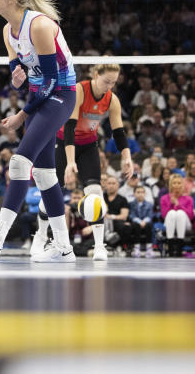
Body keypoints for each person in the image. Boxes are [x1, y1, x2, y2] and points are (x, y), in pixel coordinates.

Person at [0, 0, 78, 263]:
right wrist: (16, 74)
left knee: (20, 162)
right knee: (44, 174)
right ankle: (63, 247)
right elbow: (20, 74)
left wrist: (22, 114)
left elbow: (51, 80)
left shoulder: (41, 25)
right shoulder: (8, 31)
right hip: (40, 96)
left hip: (60, 94)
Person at [38, 63, 132, 260]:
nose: (109, 86)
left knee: (95, 193)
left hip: (89, 145)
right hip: (64, 142)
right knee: (51, 192)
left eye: (113, 83)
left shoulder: (112, 99)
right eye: (106, 81)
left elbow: (119, 132)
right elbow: (70, 125)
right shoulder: (79, 90)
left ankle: (99, 246)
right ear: (96, 74)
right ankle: (40, 238)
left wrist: (127, 158)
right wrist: (71, 162)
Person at [160, 174, 194, 257]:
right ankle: (170, 248)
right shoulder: (164, 198)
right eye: (174, 183)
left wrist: (178, 205)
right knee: (172, 213)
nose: (177, 185)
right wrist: (171, 205)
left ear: (182, 185)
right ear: (170, 185)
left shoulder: (188, 198)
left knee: (180, 213)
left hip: (185, 224)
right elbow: (164, 215)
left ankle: (179, 248)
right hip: (169, 222)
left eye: (179, 183)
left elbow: (190, 216)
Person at [127, 185, 155, 258]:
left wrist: (144, 221)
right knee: (136, 225)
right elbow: (131, 215)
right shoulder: (131, 204)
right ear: (134, 194)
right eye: (138, 192)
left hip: (146, 222)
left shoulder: (149, 204)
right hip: (136, 222)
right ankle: (137, 247)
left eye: (142, 192)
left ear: (145, 193)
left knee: (149, 225)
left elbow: (150, 215)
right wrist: (140, 221)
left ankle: (149, 248)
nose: (140, 194)